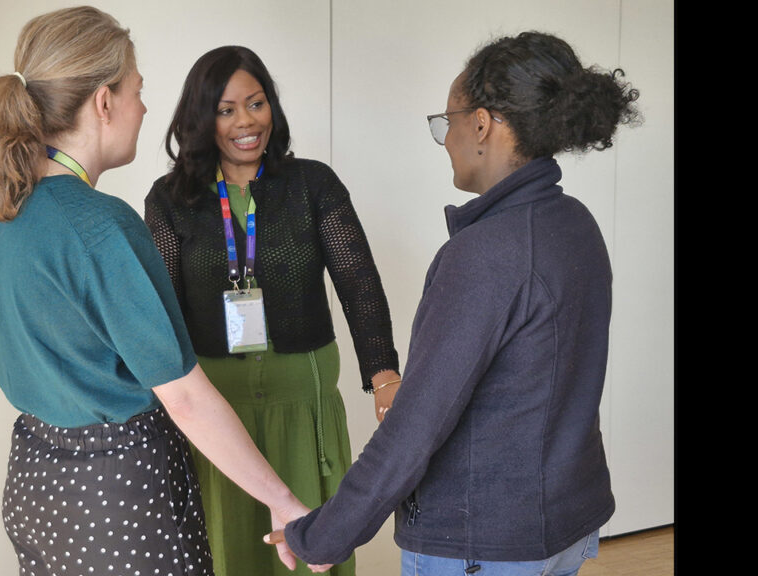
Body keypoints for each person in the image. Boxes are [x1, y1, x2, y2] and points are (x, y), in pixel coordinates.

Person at [268, 31, 642, 576]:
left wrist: (324, 535)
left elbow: (417, 424)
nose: (445, 139)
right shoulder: (574, 224)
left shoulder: (485, 253)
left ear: (483, 123)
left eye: (448, 122)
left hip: (483, 544)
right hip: (563, 524)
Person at [0, 8, 310, 575]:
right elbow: (186, 398)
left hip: (35, 484)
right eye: (137, 91)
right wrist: (283, 500)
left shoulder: (0, 209)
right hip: (115, 496)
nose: (144, 108)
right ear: (104, 101)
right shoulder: (101, 224)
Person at [144, 45, 401, 576]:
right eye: (227, 109)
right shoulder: (170, 200)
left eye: (256, 103)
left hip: (302, 403)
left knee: (310, 552)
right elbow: (161, 310)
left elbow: (359, 283)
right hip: (217, 413)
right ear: (202, 118)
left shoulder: (313, 184)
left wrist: (384, 377)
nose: (246, 122)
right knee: (228, 552)